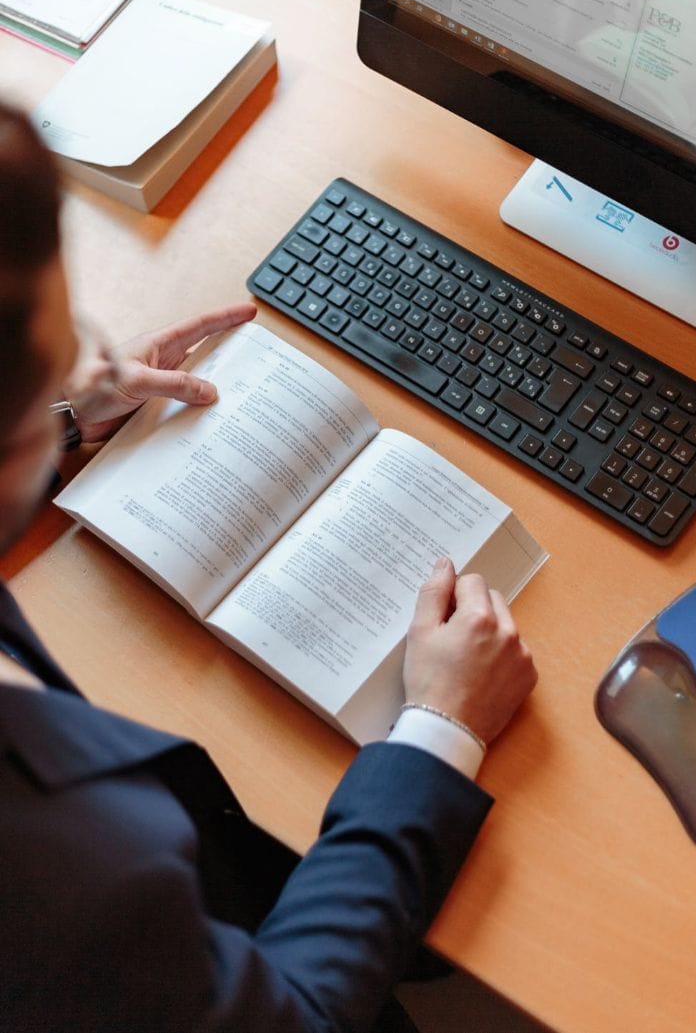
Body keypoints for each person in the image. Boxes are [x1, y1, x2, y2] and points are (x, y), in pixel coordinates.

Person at [0, 101, 538, 1033]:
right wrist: (440, 730)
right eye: (62, 341)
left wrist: (56, 424)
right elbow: (297, 1018)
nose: (84, 355)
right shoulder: (71, 871)